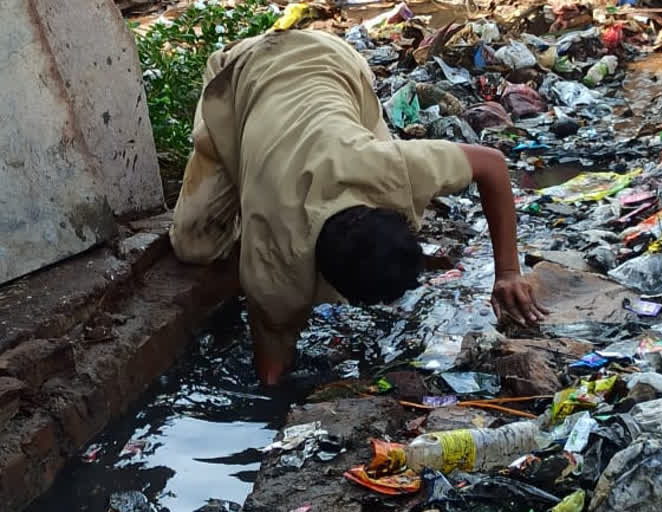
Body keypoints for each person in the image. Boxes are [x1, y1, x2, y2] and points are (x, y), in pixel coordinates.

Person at [169, 28, 548, 385]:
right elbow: (271, 369)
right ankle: (244, 194)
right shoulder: (272, 274)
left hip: (333, 62)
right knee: (194, 246)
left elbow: (492, 164)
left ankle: (256, 180)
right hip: (245, 73)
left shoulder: (389, 167)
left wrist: (508, 272)